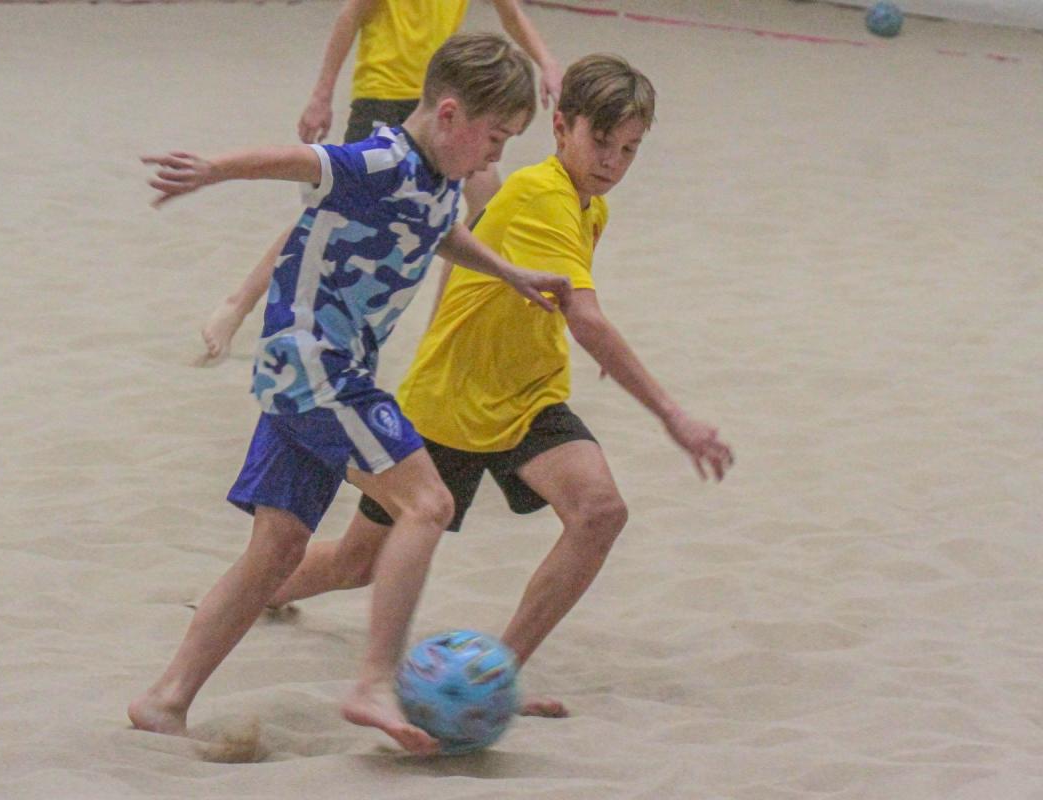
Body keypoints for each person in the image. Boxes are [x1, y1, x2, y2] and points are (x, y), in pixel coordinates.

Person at [128, 34, 572, 756]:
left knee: (277, 550)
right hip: (316, 365)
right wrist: (212, 170)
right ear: (450, 115)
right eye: (495, 137)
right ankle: (372, 682)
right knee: (428, 504)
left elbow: (437, 231)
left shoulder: (438, 177)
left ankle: (164, 699)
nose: (497, 155)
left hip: (312, 372)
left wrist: (510, 273)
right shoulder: (382, 159)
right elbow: (298, 160)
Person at [262, 54, 735, 717]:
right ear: (561, 126)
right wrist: (672, 415)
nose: (612, 162)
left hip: (526, 397)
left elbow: (562, 303)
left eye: (629, 149)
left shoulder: (588, 204)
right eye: (601, 141)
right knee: (356, 563)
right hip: (450, 403)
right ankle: (252, 595)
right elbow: (586, 317)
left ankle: (495, 676)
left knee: (599, 512)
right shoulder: (542, 195)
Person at [200, 0, 564, 361]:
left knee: (483, 200)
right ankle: (238, 304)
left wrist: (547, 62)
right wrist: (321, 95)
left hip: (454, 102)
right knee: (331, 207)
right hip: (384, 92)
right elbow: (351, 14)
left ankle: (435, 335)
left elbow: (511, 15)